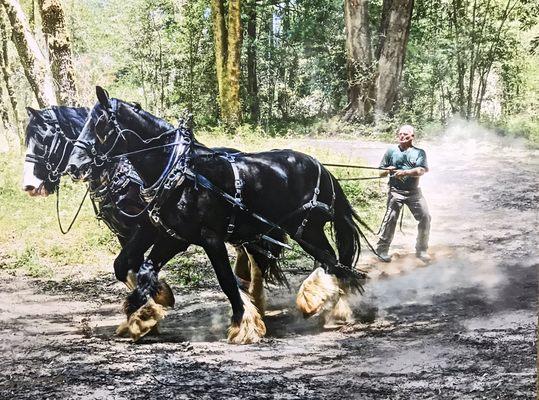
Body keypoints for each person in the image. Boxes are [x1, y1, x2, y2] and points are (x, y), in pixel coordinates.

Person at [376, 124, 431, 262]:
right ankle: (382, 250)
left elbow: (421, 171)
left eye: (405, 134)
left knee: (425, 217)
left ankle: (422, 249)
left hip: (414, 192)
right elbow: (380, 173)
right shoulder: (391, 151)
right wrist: (388, 170)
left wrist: (405, 172)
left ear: (412, 137)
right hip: (395, 191)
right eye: (400, 133)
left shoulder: (419, 152)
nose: (402, 136)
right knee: (390, 219)